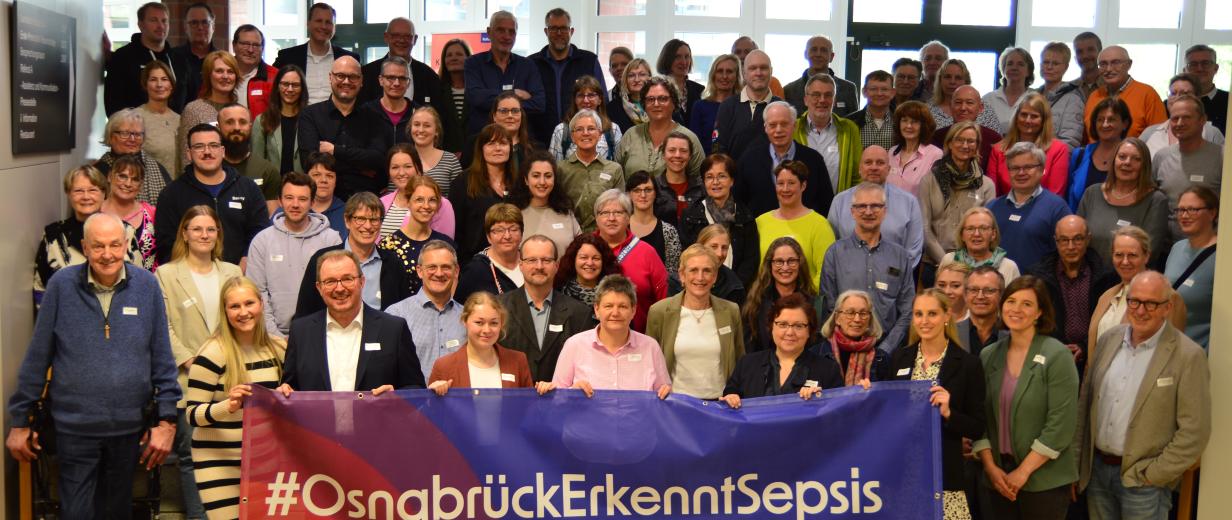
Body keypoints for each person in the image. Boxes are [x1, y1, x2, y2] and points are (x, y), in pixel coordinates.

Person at [7, 213, 180, 518]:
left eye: (115, 245)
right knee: (77, 513)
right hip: (74, 427)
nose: (107, 254)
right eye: (98, 246)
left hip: (129, 427)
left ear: (126, 245)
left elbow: (163, 359)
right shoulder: (61, 285)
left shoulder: (147, 286)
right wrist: (20, 421)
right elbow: (38, 357)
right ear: (85, 247)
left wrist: (166, 423)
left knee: (117, 512)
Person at [1076, 271, 1211, 519]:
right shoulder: (1108, 340)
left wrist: (1154, 475)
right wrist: (1079, 463)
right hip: (1097, 474)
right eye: (1134, 301)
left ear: (1167, 307)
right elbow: (1085, 404)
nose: (1140, 310)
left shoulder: (1187, 355)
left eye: (1151, 303)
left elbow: (1195, 431)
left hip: (1143, 485)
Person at [156, 206, 241, 520]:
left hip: (230, 381)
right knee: (193, 459)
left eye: (210, 229)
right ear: (185, 234)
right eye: (197, 229)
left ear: (218, 233)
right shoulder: (166, 274)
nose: (204, 235)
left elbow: (244, 320)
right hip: (187, 381)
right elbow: (163, 326)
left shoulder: (233, 273)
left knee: (231, 458)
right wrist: (193, 360)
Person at [972, 275, 1079, 519]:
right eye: (1011, 301)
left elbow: (1060, 424)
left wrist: (1022, 473)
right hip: (997, 478)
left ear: (1040, 312)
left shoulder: (1056, 355)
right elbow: (981, 418)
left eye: (1027, 304)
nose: (1016, 309)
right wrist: (990, 468)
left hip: (1043, 481)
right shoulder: (988, 355)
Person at [184, 276, 285, 519]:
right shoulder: (211, 354)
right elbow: (192, 414)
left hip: (266, 461)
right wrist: (226, 406)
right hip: (218, 462)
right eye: (234, 306)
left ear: (261, 304)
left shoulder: (279, 349)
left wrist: (285, 397)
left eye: (249, 303)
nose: (243, 312)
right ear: (225, 311)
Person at [889, 289, 987, 520]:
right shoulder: (900, 359)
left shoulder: (968, 364)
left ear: (947, 316)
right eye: (918, 314)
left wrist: (949, 412)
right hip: (905, 476)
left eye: (932, 313)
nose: (924, 321)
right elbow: (890, 412)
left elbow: (977, 426)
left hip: (945, 477)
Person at [279, 249, 426, 393]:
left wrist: (396, 395)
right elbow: (290, 388)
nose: (339, 288)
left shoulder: (393, 329)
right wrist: (284, 391)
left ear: (362, 282)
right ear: (319, 288)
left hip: (375, 418)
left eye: (347, 279)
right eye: (330, 281)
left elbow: (416, 388)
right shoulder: (301, 332)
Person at [155, 124, 269, 265]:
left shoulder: (248, 188)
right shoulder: (171, 194)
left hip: (241, 276)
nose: (207, 151)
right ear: (189, 154)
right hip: (191, 278)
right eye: (199, 146)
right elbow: (166, 244)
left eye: (213, 145)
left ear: (222, 151)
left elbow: (260, 232)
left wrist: (248, 258)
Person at [820, 182, 915, 353]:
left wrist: (886, 349)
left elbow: (907, 310)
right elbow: (829, 306)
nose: (869, 211)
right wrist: (846, 343)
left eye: (875, 206)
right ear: (852, 211)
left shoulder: (900, 256)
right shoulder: (835, 253)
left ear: (884, 211)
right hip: (843, 350)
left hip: (887, 352)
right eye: (862, 206)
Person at [547, 274, 672, 398]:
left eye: (623, 306)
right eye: (608, 306)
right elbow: (557, 399)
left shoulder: (651, 347)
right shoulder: (574, 345)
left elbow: (665, 395)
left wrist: (666, 393)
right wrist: (571, 392)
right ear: (596, 309)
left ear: (633, 311)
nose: (615, 313)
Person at [248, 173, 342, 337]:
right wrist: (275, 337)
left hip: (322, 334)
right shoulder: (262, 241)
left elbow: (337, 289)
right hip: (272, 336)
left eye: (303, 199)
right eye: (289, 198)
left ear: (312, 202)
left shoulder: (331, 239)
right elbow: (257, 292)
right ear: (280, 200)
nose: (295, 204)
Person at [34, 166, 142, 308]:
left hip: (117, 318)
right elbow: (41, 288)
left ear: (104, 193)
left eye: (93, 190)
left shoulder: (124, 230)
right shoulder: (54, 235)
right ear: (68, 194)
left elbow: (139, 281)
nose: (86, 196)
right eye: (78, 191)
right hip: (68, 321)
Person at [646, 245, 744, 400]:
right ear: (682, 275)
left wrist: (734, 393)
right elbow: (650, 363)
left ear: (715, 276)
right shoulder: (660, 312)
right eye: (693, 270)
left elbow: (740, 361)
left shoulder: (731, 311)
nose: (700, 277)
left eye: (707, 270)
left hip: (720, 405)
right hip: (676, 404)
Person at [296, 192, 410, 317]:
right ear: (347, 221)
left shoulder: (393, 263)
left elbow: (404, 313)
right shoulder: (322, 260)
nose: (368, 226)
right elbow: (304, 312)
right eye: (360, 219)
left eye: (374, 220)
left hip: (380, 335)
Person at [497, 235, 592, 382]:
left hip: (560, 400)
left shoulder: (579, 314)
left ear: (556, 265)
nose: (539, 266)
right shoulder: (498, 308)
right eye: (532, 260)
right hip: (512, 399)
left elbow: (584, 367)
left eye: (546, 260)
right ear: (520, 265)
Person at [720, 293, 843, 407]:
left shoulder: (828, 370)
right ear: (771, 327)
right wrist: (731, 399)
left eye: (798, 326)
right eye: (783, 324)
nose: (790, 332)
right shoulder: (747, 364)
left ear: (809, 331)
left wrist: (821, 401)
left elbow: (837, 414)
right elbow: (729, 400)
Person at [1027, 215, 1116, 366]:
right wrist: (1055, 347)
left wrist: (1084, 346)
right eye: (1064, 240)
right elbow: (1033, 320)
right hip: (1049, 356)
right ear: (1056, 241)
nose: (1070, 247)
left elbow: (1110, 321)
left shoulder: (1106, 276)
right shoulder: (1037, 277)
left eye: (1077, 239)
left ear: (1088, 239)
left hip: (1094, 356)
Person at [297, 56, 390, 199]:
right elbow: (309, 163)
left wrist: (334, 151)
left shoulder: (374, 117)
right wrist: (360, 167)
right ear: (330, 77)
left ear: (361, 81)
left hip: (365, 203)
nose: (346, 81)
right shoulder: (310, 115)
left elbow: (378, 160)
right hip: (323, 202)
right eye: (340, 76)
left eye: (353, 77)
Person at [1088, 226, 1186, 357]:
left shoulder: (1168, 297)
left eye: (1132, 255)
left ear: (1146, 256)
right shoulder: (1106, 296)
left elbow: (1172, 352)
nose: (1125, 261)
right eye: (1119, 255)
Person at [1077, 137, 1172, 266]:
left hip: (1129, 280)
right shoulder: (1092, 193)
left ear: (1145, 165)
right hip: (1089, 278)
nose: (1127, 162)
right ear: (1114, 160)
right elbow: (1078, 239)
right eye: (1122, 157)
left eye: (1136, 159)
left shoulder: (1156, 200)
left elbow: (1150, 252)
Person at [827, 145, 924, 269]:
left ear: (889, 169)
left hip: (893, 281)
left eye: (880, 163)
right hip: (848, 279)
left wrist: (888, 276)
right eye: (868, 162)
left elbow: (913, 251)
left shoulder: (909, 202)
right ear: (859, 168)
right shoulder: (840, 201)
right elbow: (831, 246)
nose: (874, 167)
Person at [920, 122, 997, 272]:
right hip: (934, 264)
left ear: (977, 146)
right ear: (949, 143)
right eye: (959, 140)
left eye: (970, 141)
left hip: (973, 266)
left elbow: (987, 230)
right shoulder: (929, 180)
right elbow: (924, 228)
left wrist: (963, 266)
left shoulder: (986, 185)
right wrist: (947, 263)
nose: (965, 145)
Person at [384, 240, 466, 380]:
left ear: (456, 271)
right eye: (432, 267)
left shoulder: (467, 317)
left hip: (458, 400)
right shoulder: (396, 315)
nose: (439, 273)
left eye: (446, 267)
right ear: (420, 271)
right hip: (412, 401)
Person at [735, 101, 832, 217]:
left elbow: (826, 203)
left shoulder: (814, 160)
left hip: (803, 231)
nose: (778, 130)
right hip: (761, 231)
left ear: (794, 126)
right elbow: (739, 200)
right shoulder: (749, 159)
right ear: (765, 128)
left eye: (784, 124)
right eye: (772, 125)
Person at [986, 142, 1072, 269]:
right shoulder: (992, 207)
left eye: (1028, 167)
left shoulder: (1057, 208)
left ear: (1042, 169)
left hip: (1037, 286)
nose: (1021, 173)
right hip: (996, 285)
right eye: (1015, 168)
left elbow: (1065, 254)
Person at [427, 291, 534, 393]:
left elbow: (530, 407)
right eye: (479, 322)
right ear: (465, 321)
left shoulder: (518, 361)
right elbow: (430, 411)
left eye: (494, 323)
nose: (487, 330)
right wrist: (431, 398)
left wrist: (545, 393)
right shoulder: (444, 366)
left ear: (501, 324)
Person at [593, 189, 668, 332]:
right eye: (605, 213)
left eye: (618, 213)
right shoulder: (584, 249)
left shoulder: (647, 252)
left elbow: (664, 302)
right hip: (589, 341)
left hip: (639, 340)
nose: (611, 218)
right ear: (596, 218)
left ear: (628, 217)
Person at [680, 153, 759, 286]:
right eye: (709, 177)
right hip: (700, 287)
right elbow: (687, 257)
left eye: (722, 176)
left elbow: (750, 261)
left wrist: (733, 288)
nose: (715, 182)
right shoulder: (691, 216)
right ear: (704, 181)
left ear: (732, 180)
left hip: (736, 291)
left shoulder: (745, 217)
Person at [529, 8, 607, 143]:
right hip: (540, 141)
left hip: (582, 139)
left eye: (564, 28)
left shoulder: (589, 61)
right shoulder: (532, 64)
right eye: (553, 28)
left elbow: (602, 99)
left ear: (571, 31)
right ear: (546, 31)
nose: (559, 33)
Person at [1151, 94, 1223, 238]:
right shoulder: (1161, 157)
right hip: (1167, 248)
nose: (1179, 123)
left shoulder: (1222, 157)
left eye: (1186, 117)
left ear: (1202, 120)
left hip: (1209, 248)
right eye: (1174, 118)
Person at [756, 160, 836, 289]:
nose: (785, 189)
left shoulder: (820, 225)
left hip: (805, 303)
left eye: (791, 183)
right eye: (780, 183)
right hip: (766, 302)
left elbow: (826, 271)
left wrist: (805, 298)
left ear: (803, 186)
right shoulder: (760, 223)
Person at [464, 11, 546, 135]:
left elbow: (539, 104)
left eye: (511, 32)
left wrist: (492, 101)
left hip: (520, 144)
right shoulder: (473, 63)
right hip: (483, 142)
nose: (507, 36)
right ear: (489, 32)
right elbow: (476, 98)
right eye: (500, 30)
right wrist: (514, 94)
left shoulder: (528, 65)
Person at [614, 76, 705, 181]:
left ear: (674, 102)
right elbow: (616, 178)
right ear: (644, 104)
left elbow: (701, 182)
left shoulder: (689, 138)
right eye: (650, 99)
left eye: (663, 99)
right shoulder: (631, 134)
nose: (656, 104)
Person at [104, 2, 187, 115]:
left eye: (164, 21)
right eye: (153, 20)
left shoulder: (179, 60)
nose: (160, 26)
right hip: (136, 130)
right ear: (141, 24)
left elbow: (188, 102)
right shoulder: (123, 58)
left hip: (175, 129)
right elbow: (113, 105)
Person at [379, 175, 455, 296]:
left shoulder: (446, 244)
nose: (426, 206)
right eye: (419, 199)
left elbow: (452, 288)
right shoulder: (389, 245)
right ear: (408, 202)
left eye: (432, 200)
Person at [1164, 186, 1218, 350]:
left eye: (1192, 210)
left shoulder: (1222, 257)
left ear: (1212, 213)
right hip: (1169, 348)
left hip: (1200, 354)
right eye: (1180, 210)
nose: (1184, 216)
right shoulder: (1177, 248)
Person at [272, 2, 359, 104]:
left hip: (339, 118)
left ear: (334, 27)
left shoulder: (350, 59)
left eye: (328, 22)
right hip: (299, 118)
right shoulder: (287, 57)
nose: (323, 26)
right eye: (318, 21)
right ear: (308, 24)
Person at [450, 125, 515, 259]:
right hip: (473, 263)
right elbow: (456, 230)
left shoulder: (518, 183)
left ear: (510, 148)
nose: (497, 148)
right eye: (491, 143)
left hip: (512, 261)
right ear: (481, 149)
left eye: (503, 143)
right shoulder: (463, 182)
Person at [742, 237, 816, 353]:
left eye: (791, 261)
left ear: (799, 263)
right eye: (779, 261)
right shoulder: (755, 304)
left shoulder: (814, 304)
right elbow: (749, 350)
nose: (785, 267)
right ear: (770, 265)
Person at [989, 93, 1072, 196]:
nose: (1028, 120)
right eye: (1024, 115)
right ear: (1016, 117)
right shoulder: (999, 150)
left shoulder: (1058, 149)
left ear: (1043, 121)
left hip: (1044, 210)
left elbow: (1055, 195)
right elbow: (993, 195)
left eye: (1034, 116)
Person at [557, 109, 626, 232]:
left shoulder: (614, 169)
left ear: (600, 135)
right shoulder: (560, 169)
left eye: (591, 128)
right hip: (569, 234)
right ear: (572, 136)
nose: (585, 133)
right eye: (579, 129)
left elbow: (621, 209)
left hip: (605, 235)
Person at [793, 74, 862, 196]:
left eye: (828, 95)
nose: (822, 100)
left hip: (839, 210)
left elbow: (857, 175)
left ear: (834, 100)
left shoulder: (849, 129)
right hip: (801, 210)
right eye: (816, 95)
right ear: (805, 100)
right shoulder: (793, 129)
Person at [1083, 46, 1167, 142]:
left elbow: (1160, 137)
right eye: (1103, 64)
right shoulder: (1094, 96)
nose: (1109, 69)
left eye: (1116, 63)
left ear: (1129, 64)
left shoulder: (1147, 94)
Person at [175, 50, 238, 173]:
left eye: (230, 71)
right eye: (219, 71)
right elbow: (186, 158)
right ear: (208, 75)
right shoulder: (194, 110)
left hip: (235, 182)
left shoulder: (239, 110)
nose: (225, 76)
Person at [95, 108, 174, 204]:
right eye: (125, 133)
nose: (132, 139)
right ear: (110, 136)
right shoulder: (98, 172)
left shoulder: (156, 168)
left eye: (137, 134)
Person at [712, 50, 781, 160]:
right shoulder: (728, 106)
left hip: (773, 176)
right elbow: (718, 150)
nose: (758, 73)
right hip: (734, 176)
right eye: (753, 68)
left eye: (763, 68)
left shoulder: (781, 108)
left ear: (771, 71)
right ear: (744, 73)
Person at [379, 143, 456, 240]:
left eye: (407, 166)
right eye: (395, 167)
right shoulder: (381, 202)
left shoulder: (441, 204)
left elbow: (444, 245)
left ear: (418, 169)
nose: (401, 173)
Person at [1067, 97, 1132, 210]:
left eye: (1111, 120)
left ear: (1125, 124)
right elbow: (1069, 198)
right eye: (1100, 120)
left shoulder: (1132, 158)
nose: (1105, 125)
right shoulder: (1079, 156)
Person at [511, 151, 581, 256]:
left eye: (548, 176)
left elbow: (581, 249)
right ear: (526, 180)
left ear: (554, 179)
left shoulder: (566, 213)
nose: (542, 182)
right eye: (536, 176)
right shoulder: (514, 215)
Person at [1138, 74, 1225, 157]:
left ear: (1198, 99)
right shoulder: (1150, 132)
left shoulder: (1211, 133)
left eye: (1185, 94)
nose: (1177, 98)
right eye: (1173, 93)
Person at [359, 18, 440, 107]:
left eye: (407, 36)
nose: (401, 40)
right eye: (396, 35)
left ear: (415, 39)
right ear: (386, 37)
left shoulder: (429, 76)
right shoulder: (367, 74)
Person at [218, 103, 282, 210]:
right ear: (218, 127)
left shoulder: (267, 171)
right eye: (229, 122)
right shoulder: (208, 169)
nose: (237, 128)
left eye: (242, 122)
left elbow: (271, 218)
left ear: (250, 126)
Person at [817, 290, 890, 384]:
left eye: (863, 313)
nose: (857, 319)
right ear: (837, 318)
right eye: (850, 313)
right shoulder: (817, 354)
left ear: (870, 319)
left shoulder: (882, 358)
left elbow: (886, 396)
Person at [455, 203, 524, 301]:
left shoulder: (532, 262)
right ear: (488, 236)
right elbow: (460, 308)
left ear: (521, 233)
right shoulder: (475, 270)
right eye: (499, 230)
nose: (507, 236)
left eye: (513, 229)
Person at [931, 85, 1005, 175]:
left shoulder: (993, 138)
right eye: (958, 102)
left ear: (980, 108)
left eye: (969, 103)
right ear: (950, 106)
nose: (963, 108)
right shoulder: (937, 137)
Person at [101, 155, 158, 270]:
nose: (128, 183)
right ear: (109, 177)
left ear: (141, 185)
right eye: (122, 176)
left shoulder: (152, 213)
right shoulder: (95, 213)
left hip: (147, 284)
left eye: (135, 179)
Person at [548, 76, 623, 161]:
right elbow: (555, 168)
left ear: (600, 100)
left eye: (591, 95)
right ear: (575, 100)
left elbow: (618, 168)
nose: (586, 100)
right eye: (580, 95)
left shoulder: (613, 130)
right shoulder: (561, 130)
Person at [462, 91, 541, 172]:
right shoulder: (474, 144)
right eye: (504, 111)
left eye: (515, 111)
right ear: (494, 116)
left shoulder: (536, 149)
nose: (510, 116)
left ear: (521, 115)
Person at [783, 36, 858, 117]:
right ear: (805, 54)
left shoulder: (848, 89)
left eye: (823, 50)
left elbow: (854, 122)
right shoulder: (789, 91)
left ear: (832, 56)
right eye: (814, 49)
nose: (818, 54)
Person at [941, 207, 1021, 283]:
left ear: (993, 234)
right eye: (970, 228)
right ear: (962, 235)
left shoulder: (1009, 267)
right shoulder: (949, 260)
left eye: (983, 228)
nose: (976, 234)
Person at [252, 65, 307, 175]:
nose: (290, 89)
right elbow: (256, 162)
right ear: (277, 86)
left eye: (295, 85)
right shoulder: (262, 120)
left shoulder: (310, 118)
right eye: (285, 84)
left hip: (303, 186)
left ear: (302, 89)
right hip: (273, 187)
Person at [629, 167, 685, 272]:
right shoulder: (619, 227)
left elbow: (672, 273)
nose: (643, 195)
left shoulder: (668, 231)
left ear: (655, 193)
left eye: (648, 190)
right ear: (629, 194)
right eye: (637, 190)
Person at [929, 60, 1005, 134]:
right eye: (947, 77)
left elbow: (995, 139)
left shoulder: (985, 109)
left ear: (966, 81)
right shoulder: (929, 110)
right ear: (940, 80)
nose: (952, 81)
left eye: (958, 78)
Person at [888, 100, 943, 198]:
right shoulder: (892, 152)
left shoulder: (935, 154)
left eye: (914, 122)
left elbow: (936, 195)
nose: (909, 126)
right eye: (904, 120)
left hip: (919, 212)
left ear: (924, 126)